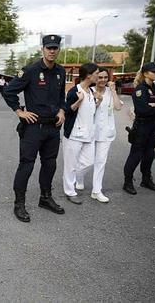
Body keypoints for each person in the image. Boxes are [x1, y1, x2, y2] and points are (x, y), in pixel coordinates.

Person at [1, 34, 66, 223]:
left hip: (53, 126)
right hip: (33, 127)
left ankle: (45, 197)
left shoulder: (60, 72)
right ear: (42, 49)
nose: (52, 51)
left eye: (55, 48)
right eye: (49, 48)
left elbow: (61, 96)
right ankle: (19, 203)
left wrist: (62, 111)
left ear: (58, 49)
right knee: (27, 165)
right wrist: (19, 111)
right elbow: (9, 91)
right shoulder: (30, 70)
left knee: (50, 164)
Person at [75, 67, 123, 203]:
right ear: (95, 78)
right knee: (87, 161)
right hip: (90, 131)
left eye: (105, 78)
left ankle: (96, 191)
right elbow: (86, 112)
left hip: (106, 133)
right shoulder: (89, 91)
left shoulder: (110, 91)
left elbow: (118, 107)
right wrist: (98, 101)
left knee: (101, 162)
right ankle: (79, 177)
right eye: (100, 77)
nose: (102, 80)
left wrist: (113, 90)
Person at [122, 62, 155, 194]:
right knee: (136, 155)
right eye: (154, 71)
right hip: (142, 126)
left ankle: (146, 179)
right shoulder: (139, 90)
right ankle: (127, 181)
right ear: (145, 73)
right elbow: (143, 110)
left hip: (154, 126)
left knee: (149, 154)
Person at [62, 63, 99, 204]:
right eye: (96, 73)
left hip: (89, 134)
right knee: (70, 165)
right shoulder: (74, 91)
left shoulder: (91, 91)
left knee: (89, 162)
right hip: (74, 135)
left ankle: (72, 177)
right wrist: (78, 101)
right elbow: (67, 110)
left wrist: (98, 101)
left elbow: (90, 111)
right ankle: (70, 191)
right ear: (88, 75)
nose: (98, 76)